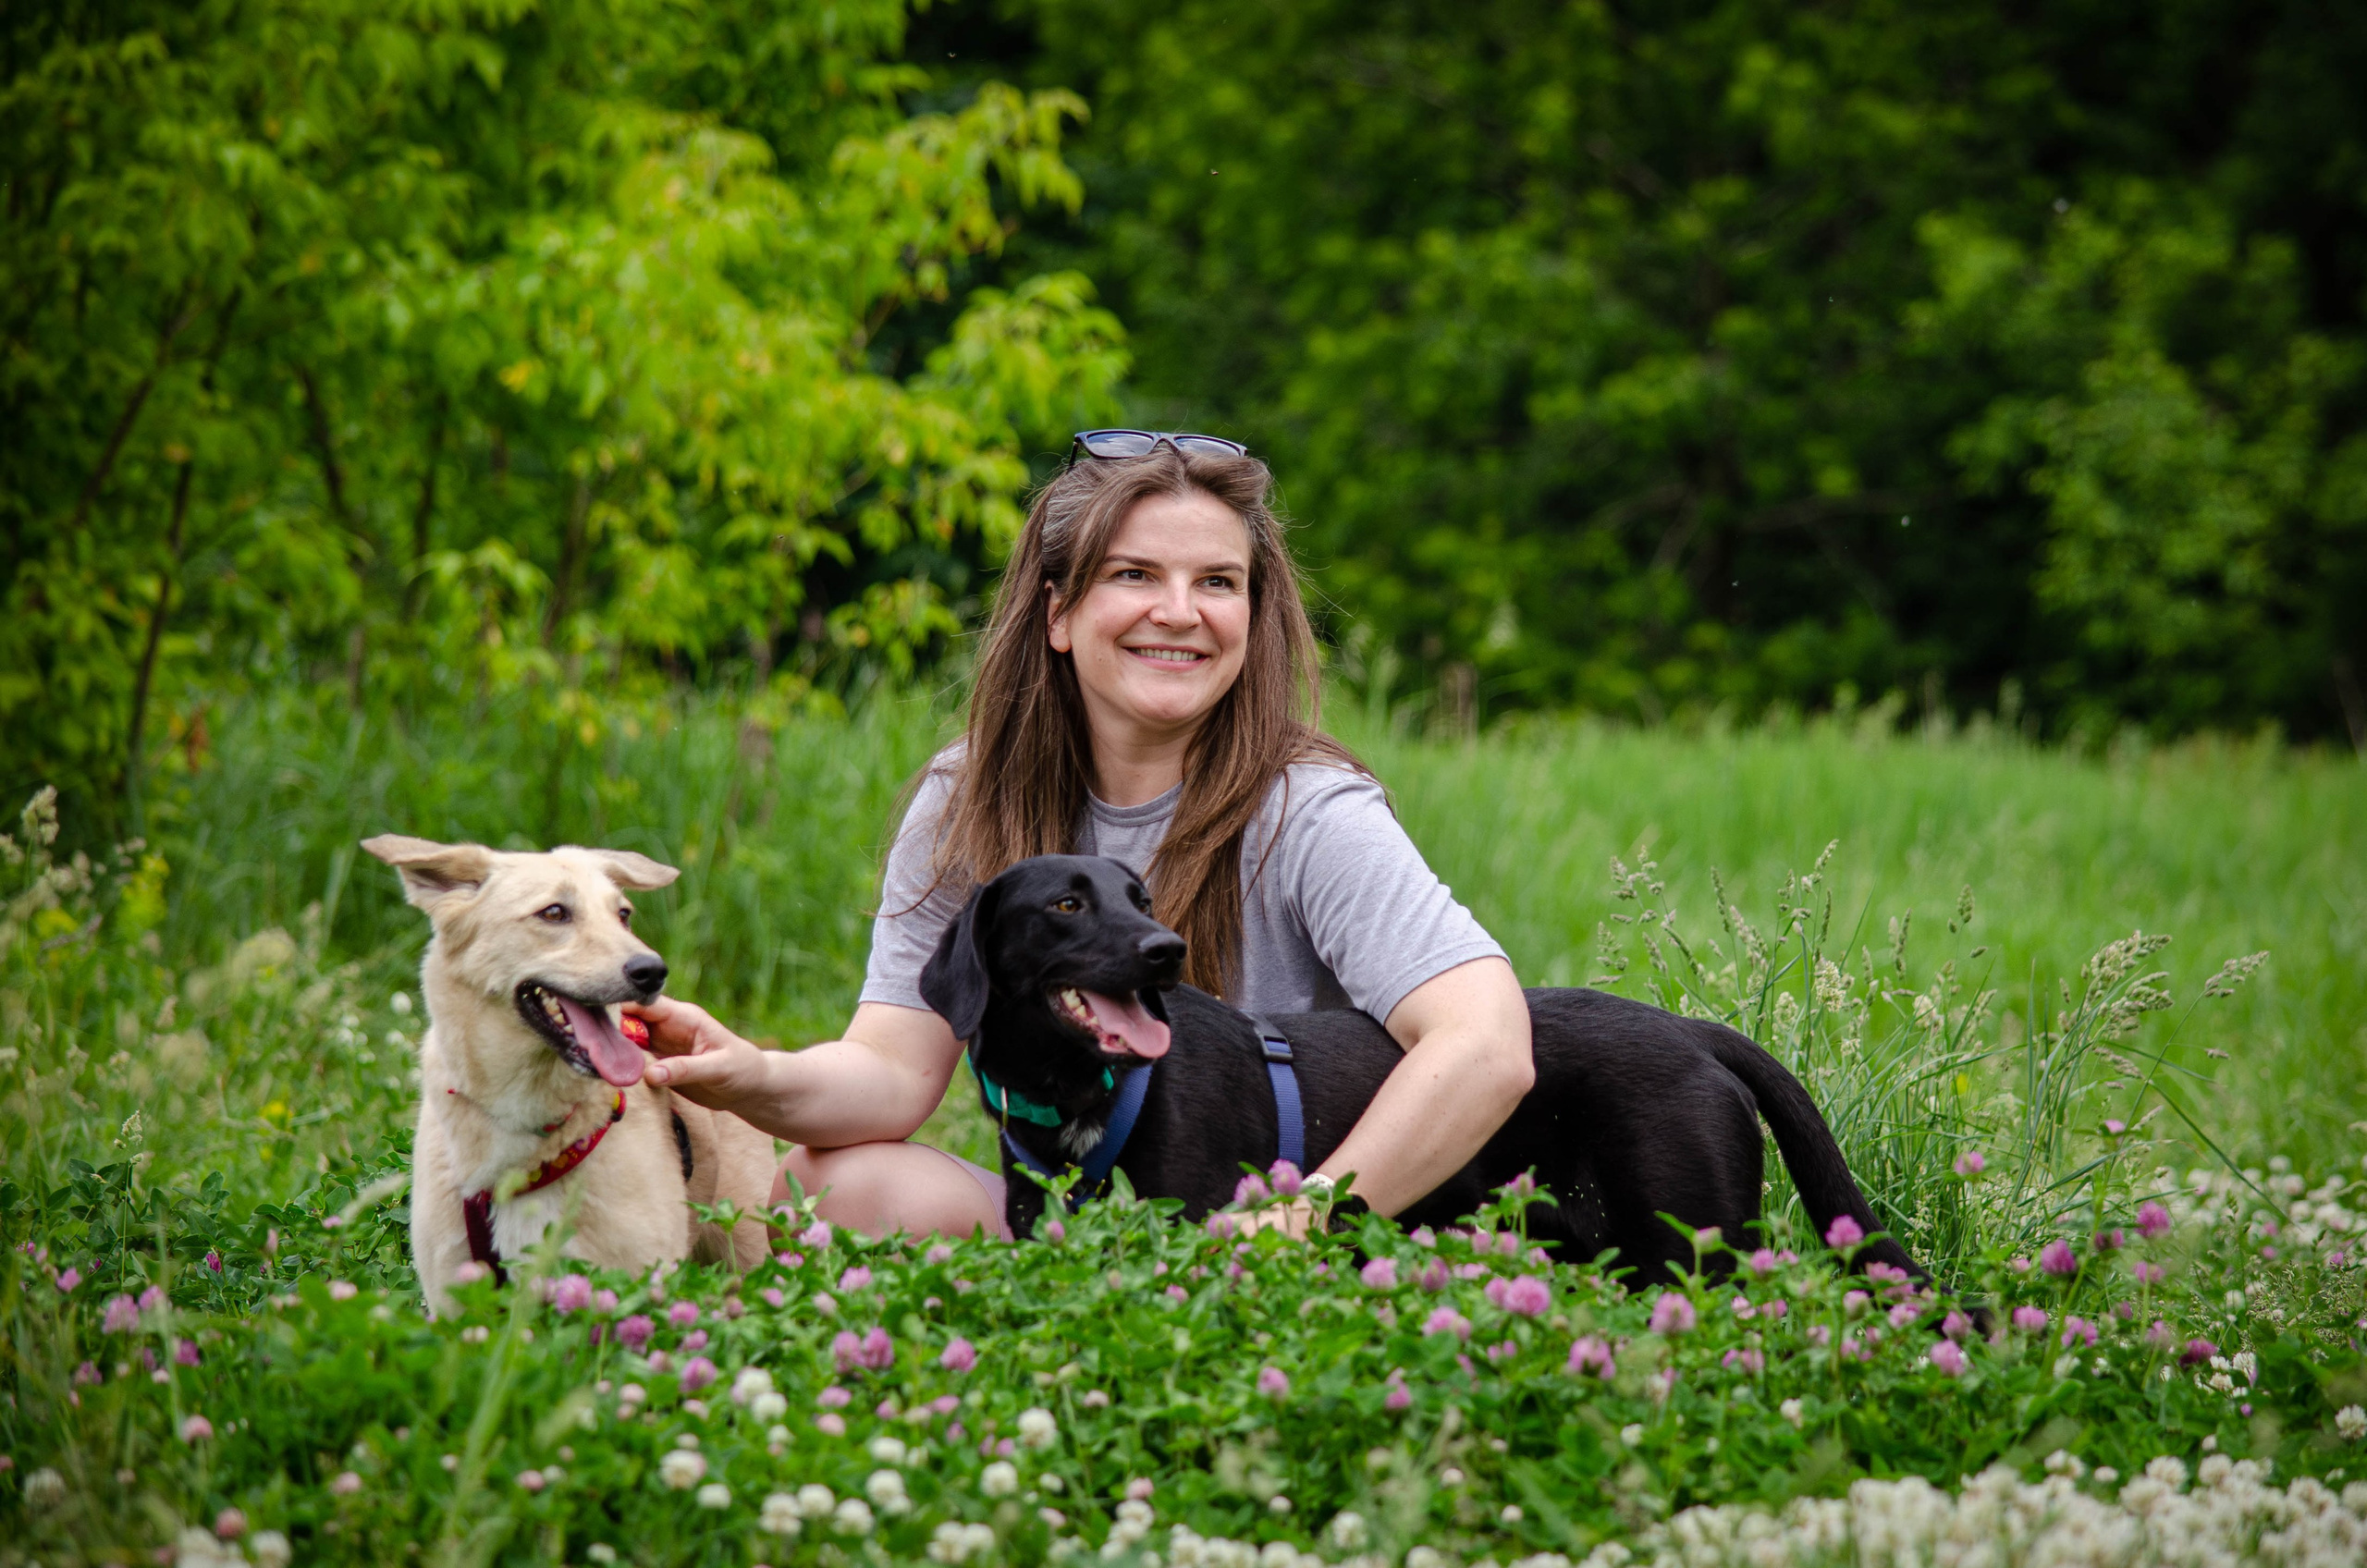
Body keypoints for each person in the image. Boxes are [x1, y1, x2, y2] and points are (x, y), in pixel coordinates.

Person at [630, 432, 1533, 1239]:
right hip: (1091, 1216)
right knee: (827, 1187)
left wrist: (1295, 1224)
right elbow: (889, 1074)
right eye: (1134, 574)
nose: (1179, 611)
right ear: (1058, 612)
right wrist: (748, 1072)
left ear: (1252, 618)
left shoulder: (1307, 809)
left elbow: (1486, 1044)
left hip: (1290, 1220)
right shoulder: (967, 796)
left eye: (1216, 582)